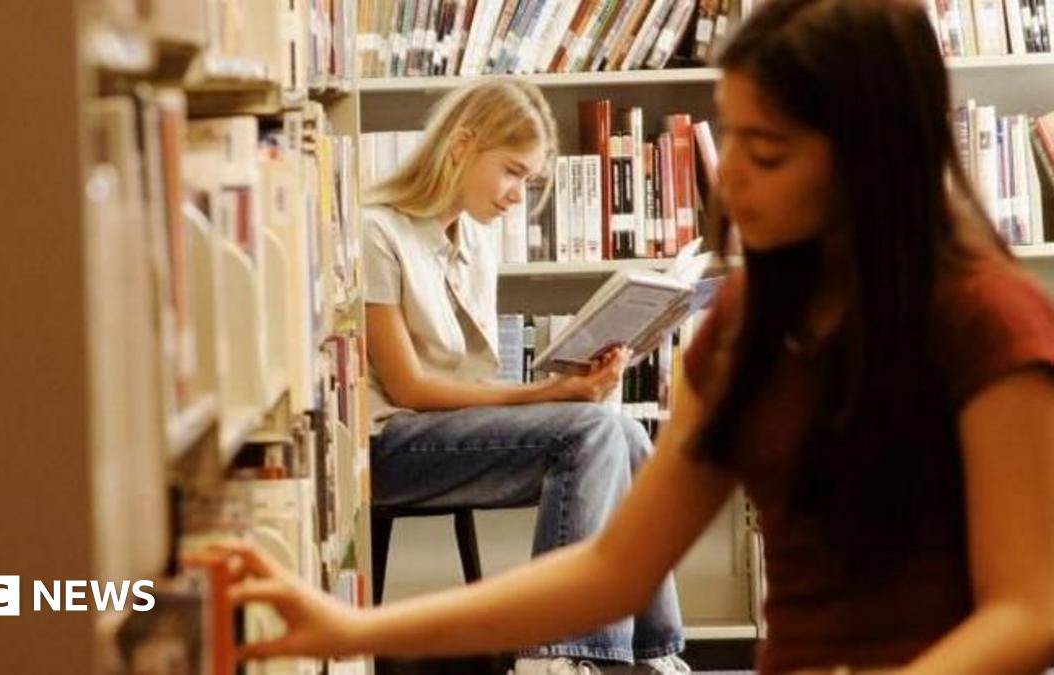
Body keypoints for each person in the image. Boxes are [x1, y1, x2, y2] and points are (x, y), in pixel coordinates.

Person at [214, 1, 1054, 673]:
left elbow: (1033, 607)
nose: (731, 186)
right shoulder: (743, 330)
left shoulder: (989, 325)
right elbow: (612, 566)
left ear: (871, 159)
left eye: (766, 153)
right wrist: (349, 629)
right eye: (733, 146)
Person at [356, 77, 687, 675]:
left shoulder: (474, 243)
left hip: (453, 434)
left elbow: (477, 384)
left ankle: (651, 653)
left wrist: (571, 376)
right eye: (511, 171)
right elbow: (409, 389)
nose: (516, 195)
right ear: (460, 144)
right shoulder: (376, 232)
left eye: (527, 181)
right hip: (391, 446)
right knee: (586, 431)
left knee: (628, 434)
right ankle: (558, 654)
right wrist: (548, 394)